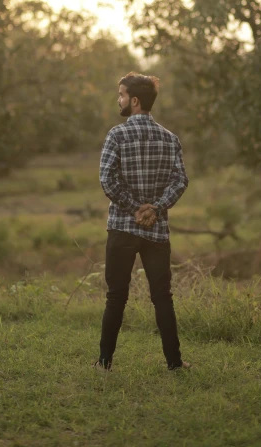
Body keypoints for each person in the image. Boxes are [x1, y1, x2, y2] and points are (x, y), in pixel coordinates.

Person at [95, 72, 190, 371]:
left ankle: (104, 363)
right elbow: (180, 180)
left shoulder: (117, 135)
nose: (118, 100)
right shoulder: (169, 138)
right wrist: (156, 208)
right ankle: (174, 363)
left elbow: (106, 179)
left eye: (121, 95)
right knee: (162, 297)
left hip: (123, 228)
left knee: (116, 297)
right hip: (157, 231)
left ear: (134, 101)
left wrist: (135, 208)